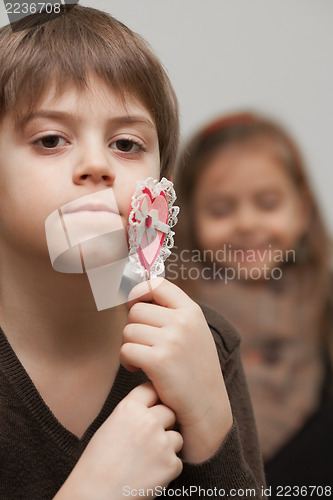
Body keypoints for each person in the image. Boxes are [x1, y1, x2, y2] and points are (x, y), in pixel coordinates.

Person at [0, 7, 265, 499]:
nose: (97, 165)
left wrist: (209, 427)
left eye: (126, 144)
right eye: (51, 139)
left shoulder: (203, 343)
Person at [171, 111, 333, 493]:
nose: (246, 223)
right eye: (221, 210)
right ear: (192, 218)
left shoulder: (323, 300)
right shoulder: (176, 306)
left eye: (267, 203)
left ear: (302, 210)